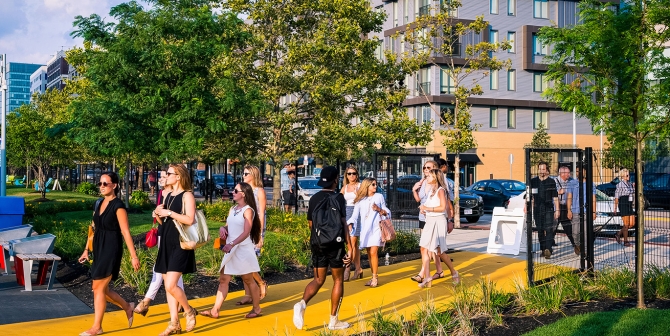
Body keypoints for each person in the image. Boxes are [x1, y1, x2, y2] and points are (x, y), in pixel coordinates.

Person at [78, 172, 140, 336]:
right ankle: (128, 306)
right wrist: (86, 249)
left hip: (111, 248)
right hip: (98, 247)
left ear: (115, 185)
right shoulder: (99, 203)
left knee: (98, 288)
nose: (102, 187)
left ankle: (97, 327)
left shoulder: (118, 206)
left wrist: (134, 256)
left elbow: (126, 232)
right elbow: (92, 228)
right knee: (100, 289)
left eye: (105, 184)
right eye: (100, 184)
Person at [293, 166, 352, 331]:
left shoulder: (314, 198)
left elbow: (311, 224)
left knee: (319, 280)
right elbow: (343, 223)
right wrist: (350, 246)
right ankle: (334, 321)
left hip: (318, 244)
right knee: (338, 280)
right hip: (336, 244)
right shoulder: (339, 198)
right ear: (336, 180)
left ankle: (302, 304)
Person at [199, 182, 263, 319]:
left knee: (248, 279)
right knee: (223, 279)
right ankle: (215, 310)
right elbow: (229, 226)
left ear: (243, 194)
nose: (232, 192)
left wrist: (232, 244)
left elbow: (246, 232)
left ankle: (257, 308)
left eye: (235, 190)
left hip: (242, 249)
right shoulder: (233, 209)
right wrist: (223, 228)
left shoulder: (248, 210)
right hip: (231, 248)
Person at [153, 164, 198, 335]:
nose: (166, 176)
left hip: (181, 243)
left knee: (172, 284)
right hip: (166, 241)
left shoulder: (187, 195)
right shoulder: (168, 194)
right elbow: (164, 222)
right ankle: (174, 323)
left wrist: (169, 213)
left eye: (169, 174)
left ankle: (188, 311)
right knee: (167, 286)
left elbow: (190, 219)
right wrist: (157, 214)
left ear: (178, 176)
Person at [134, 171, 185, 317]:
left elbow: (185, 218)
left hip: (174, 236)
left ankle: (146, 301)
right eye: (161, 176)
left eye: (165, 176)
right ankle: (181, 303)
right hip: (162, 232)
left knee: (163, 269)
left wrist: (165, 213)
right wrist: (156, 214)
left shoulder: (179, 195)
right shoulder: (162, 193)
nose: (162, 179)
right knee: (168, 270)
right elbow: (162, 219)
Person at [417, 169, 459, 288]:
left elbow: (442, 207)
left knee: (439, 251)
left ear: (436, 178)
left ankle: (454, 272)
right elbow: (430, 206)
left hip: (439, 221)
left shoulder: (441, 191)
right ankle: (427, 277)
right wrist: (424, 210)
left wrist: (428, 208)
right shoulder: (431, 190)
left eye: (429, 176)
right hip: (430, 221)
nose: (427, 178)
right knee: (423, 248)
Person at [234, 165, 269, 305]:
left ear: (253, 175)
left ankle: (261, 283)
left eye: (246, 173)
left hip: (254, 229)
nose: (243, 175)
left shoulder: (259, 191)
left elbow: (262, 214)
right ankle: (248, 294)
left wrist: (259, 234)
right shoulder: (244, 191)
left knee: (248, 261)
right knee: (243, 261)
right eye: (243, 173)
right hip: (243, 228)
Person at [347, 177, 391, 288]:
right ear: (367, 186)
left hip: (376, 228)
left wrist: (379, 210)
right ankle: (373, 276)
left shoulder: (379, 197)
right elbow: (354, 216)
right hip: (365, 230)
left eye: (376, 184)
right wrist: (350, 223)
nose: (375, 186)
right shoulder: (360, 200)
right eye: (373, 185)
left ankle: (375, 277)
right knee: (369, 254)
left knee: (373, 252)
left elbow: (387, 212)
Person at [410, 160, 444, 282]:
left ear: (434, 168)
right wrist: (414, 190)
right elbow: (419, 200)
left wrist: (450, 219)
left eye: (428, 167)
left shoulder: (439, 184)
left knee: (429, 247)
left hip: (434, 217)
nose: (425, 169)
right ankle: (439, 270)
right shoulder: (423, 182)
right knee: (428, 247)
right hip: (423, 216)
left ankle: (422, 273)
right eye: (424, 167)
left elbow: (447, 202)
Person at [530, 162, 558, 259]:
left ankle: (548, 249)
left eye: (543, 169)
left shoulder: (551, 181)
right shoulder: (533, 181)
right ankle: (543, 249)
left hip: (548, 208)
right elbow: (530, 196)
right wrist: (527, 206)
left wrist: (557, 210)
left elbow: (555, 197)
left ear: (547, 170)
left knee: (549, 229)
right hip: (537, 209)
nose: (542, 171)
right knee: (540, 230)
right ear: (538, 170)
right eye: (540, 169)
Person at [341, 165, 362, 281]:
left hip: (357, 213)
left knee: (352, 242)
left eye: (353, 173)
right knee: (354, 245)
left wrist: (357, 193)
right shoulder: (344, 187)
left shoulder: (360, 186)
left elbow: (365, 199)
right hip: (347, 212)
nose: (351, 176)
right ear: (346, 175)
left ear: (357, 175)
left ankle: (347, 268)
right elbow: (338, 199)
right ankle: (358, 269)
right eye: (349, 173)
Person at [555, 166, 578, 253]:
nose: (569, 174)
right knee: (553, 227)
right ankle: (547, 246)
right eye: (567, 173)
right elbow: (550, 193)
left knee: (568, 226)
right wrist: (558, 192)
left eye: (569, 173)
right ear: (561, 174)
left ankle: (575, 244)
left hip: (566, 206)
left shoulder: (572, 181)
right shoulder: (555, 181)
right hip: (556, 206)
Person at [573, 165, 597, 249]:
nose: (578, 173)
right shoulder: (572, 183)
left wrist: (594, 212)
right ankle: (577, 244)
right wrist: (569, 210)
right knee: (575, 233)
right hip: (575, 212)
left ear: (585, 172)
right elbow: (569, 197)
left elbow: (594, 198)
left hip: (587, 211)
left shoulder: (590, 184)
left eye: (580, 171)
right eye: (576, 171)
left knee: (586, 233)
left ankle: (586, 252)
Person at [614, 168, 635, 247]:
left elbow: (632, 193)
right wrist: (615, 208)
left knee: (632, 223)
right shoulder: (620, 185)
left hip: (629, 203)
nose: (628, 176)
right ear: (623, 176)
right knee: (626, 224)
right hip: (623, 203)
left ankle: (618, 234)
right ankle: (626, 241)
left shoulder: (629, 184)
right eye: (627, 175)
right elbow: (616, 197)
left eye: (628, 174)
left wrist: (633, 187)